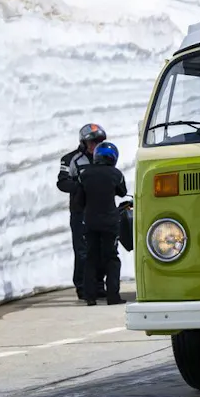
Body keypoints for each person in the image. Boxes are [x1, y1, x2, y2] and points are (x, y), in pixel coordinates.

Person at [57, 123, 107, 300]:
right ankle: (83, 287)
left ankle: (99, 285)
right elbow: (62, 182)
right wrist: (81, 187)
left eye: (99, 141)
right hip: (81, 212)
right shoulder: (70, 159)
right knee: (83, 250)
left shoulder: (105, 157)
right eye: (92, 142)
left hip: (101, 210)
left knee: (102, 248)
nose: (95, 145)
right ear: (84, 143)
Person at [76, 141, 128, 305]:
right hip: (109, 222)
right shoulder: (115, 174)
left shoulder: (84, 174)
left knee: (91, 258)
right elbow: (122, 192)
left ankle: (90, 297)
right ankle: (113, 296)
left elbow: (79, 200)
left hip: (90, 221)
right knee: (111, 258)